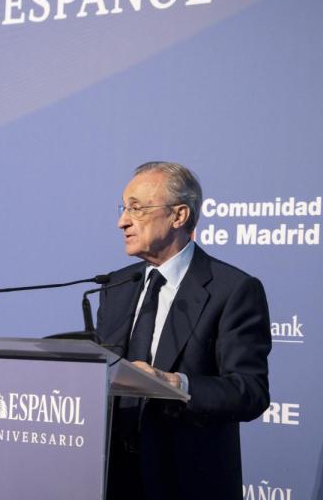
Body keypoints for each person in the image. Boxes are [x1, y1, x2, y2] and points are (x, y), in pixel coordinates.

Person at [96, 161, 271, 499]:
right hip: (112, 479)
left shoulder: (233, 289)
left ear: (178, 216)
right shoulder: (115, 286)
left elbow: (250, 392)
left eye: (137, 208)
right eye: (123, 208)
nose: (122, 221)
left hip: (186, 481)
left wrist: (177, 385)